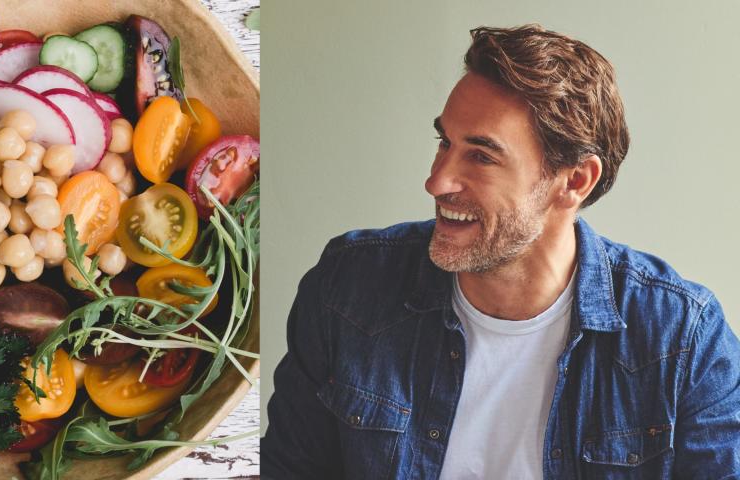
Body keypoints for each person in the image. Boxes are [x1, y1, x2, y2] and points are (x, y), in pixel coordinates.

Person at [261, 24, 740, 479]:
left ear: (574, 181)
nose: (437, 181)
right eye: (444, 142)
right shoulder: (347, 288)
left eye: (481, 155)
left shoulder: (681, 338)